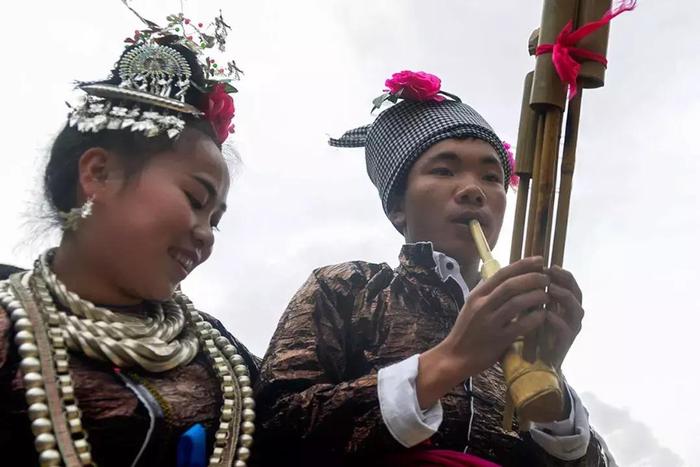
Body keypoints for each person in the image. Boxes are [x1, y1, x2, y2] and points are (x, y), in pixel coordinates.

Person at [254, 71, 613, 466]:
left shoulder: (516, 326)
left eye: (492, 177)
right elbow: (274, 431)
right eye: (443, 171)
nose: (474, 190)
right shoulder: (347, 288)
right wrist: (448, 362)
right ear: (396, 207)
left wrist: (552, 397)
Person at [0, 11, 257, 467]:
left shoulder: (222, 353)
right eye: (196, 199)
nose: (205, 235)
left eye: (215, 220)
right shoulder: (7, 329)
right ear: (98, 174)